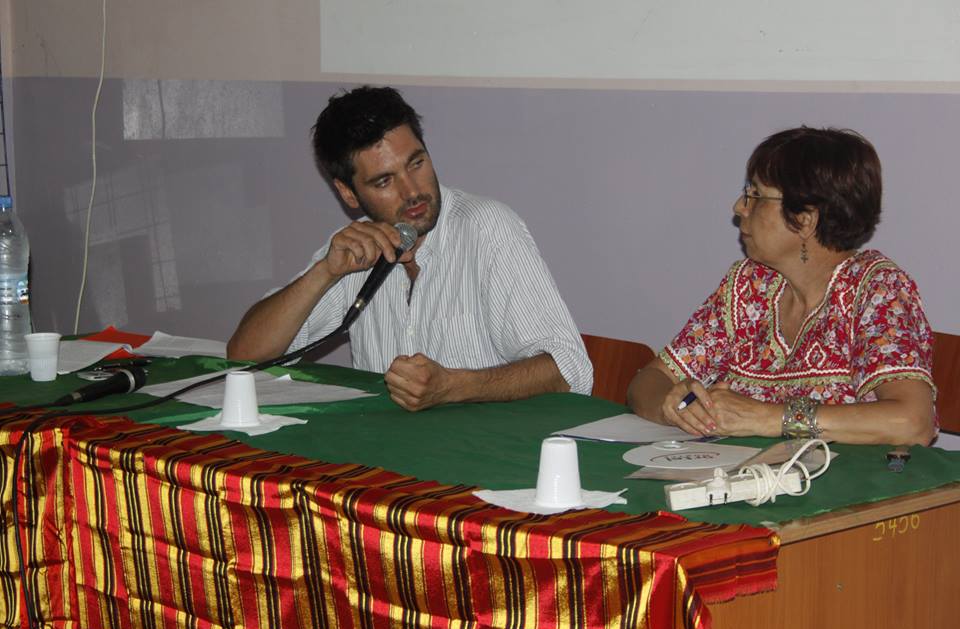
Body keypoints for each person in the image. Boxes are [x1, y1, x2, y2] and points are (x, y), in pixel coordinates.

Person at [227, 86, 592, 411]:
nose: (412, 191)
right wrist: (324, 272)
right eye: (384, 181)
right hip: (386, 454)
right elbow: (245, 356)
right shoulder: (355, 248)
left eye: (416, 163)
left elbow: (570, 370)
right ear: (348, 193)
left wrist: (454, 387)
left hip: (488, 452)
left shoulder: (487, 228)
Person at [627, 127, 936, 445]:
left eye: (756, 195)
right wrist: (674, 407)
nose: (739, 206)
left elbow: (913, 422)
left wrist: (767, 417)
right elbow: (649, 381)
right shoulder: (748, 286)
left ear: (805, 220)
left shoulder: (877, 290)